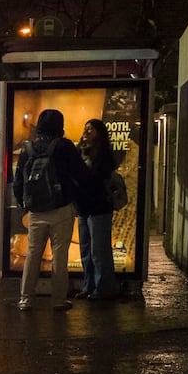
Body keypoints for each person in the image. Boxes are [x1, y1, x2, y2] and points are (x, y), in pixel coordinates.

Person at [11, 109, 91, 311]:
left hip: (36, 212)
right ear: (60, 126)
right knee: (60, 256)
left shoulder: (28, 148)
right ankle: (58, 300)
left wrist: (24, 204)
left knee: (32, 254)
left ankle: (26, 299)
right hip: (61, 209)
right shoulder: (64, 146)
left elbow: (18, 181)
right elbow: (81, 174)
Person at [74, 119, 119, 300]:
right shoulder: (80, 150)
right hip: (84, 207)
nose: (86, 132)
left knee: (99, 250)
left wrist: (86, 160)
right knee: (85, 250)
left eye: (91, 129)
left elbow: (95, 177)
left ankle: (104, 287)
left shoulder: (104, 155)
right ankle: (88, 285)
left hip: (99, 206)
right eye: (85, 128)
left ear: (99, 132)